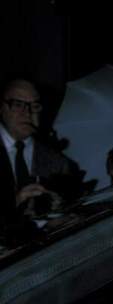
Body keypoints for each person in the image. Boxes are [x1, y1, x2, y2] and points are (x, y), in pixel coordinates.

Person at [1, 78, 77, 218]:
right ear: (2, 107)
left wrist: (58, 215)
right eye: (18, 104)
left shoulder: (58, 162)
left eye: (34, 106)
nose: (27, 113)